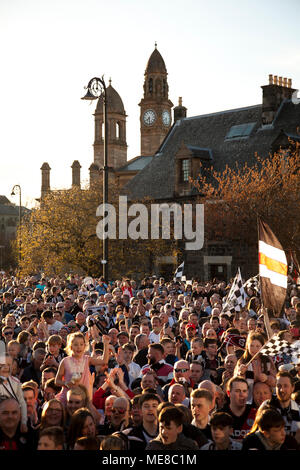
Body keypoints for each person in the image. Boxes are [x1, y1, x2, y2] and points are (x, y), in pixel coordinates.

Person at [55, 331, 109, 405]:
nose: (79, 347)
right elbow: (57, 381)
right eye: (76, 344)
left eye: (81, 344)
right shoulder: (65, 361)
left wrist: (106, 344)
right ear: (71, 346)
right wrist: (66, 383)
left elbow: (104, 361)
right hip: (67, 399)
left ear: (84, 346)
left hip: (83, 399)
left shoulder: (87, 359)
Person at [234, 332, 276, 404]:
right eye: (252, 346)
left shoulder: (267, 360)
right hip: (248, 397)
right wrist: (241, 373)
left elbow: (275, 380)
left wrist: (267, 378)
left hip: (266, 396)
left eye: (257, 346)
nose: (254, 349)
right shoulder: (243, 361)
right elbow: (236, 382)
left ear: (262, 347)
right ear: (247, 346)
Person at [261, 370, 300, 441]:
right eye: (279, 386)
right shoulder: (267, 406)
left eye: (286, 386)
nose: (282, 390)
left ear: (293, 387)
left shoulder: (298, 411)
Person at [221, 376, 257, 441]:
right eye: (237, 391)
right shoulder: (221, 415)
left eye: (244, 391)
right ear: (229, 393)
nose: (242, 394)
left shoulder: (256, 415)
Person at [0, 354, 27, 432]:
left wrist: (24, 422)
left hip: (14, 422)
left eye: (8, 365)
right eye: (2, 365)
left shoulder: (16, 382)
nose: (6, 367)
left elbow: (22, 402)